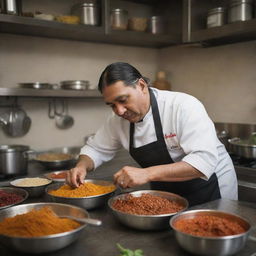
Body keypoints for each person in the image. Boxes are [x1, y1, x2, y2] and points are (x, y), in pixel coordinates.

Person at [67, 62, 238, 206]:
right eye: (111, 105)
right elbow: (95, 149)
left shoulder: (183, 106)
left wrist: (146, 173)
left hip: (211, 191)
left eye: (123, 100)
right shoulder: (117, 121)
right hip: (169, 196)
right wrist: (81, 166)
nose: (119, 111)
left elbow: (203, 162)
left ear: (141, 86)